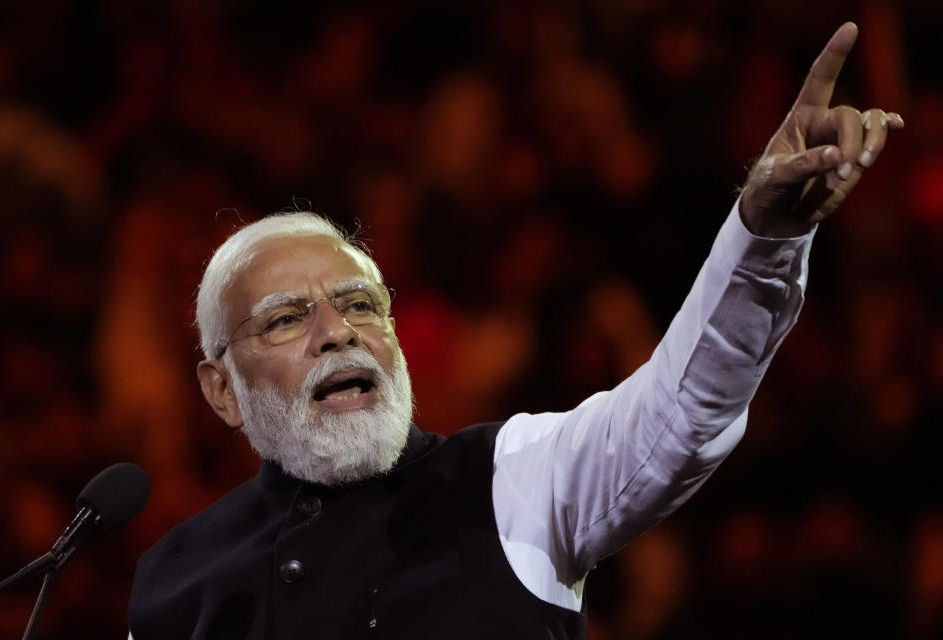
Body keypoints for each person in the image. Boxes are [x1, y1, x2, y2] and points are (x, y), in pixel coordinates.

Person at [127, 23, 903, 639]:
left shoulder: (511, 481)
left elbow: (684, 409)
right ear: (221, 389)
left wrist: (761, 240)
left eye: (362, 304)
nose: (339, 332)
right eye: (288, 318)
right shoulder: (173, 580)